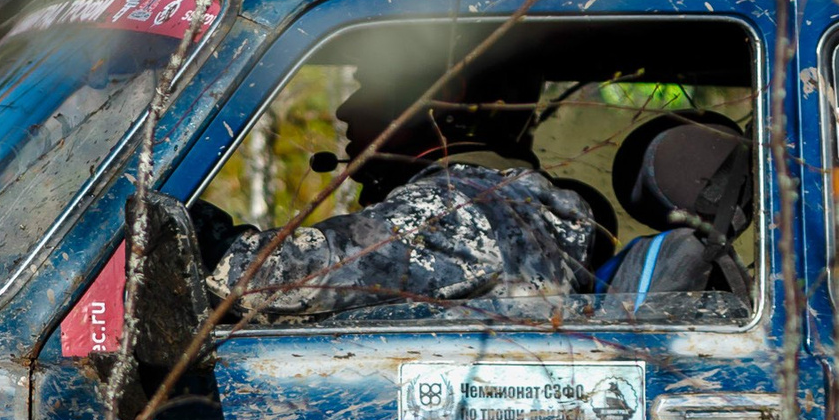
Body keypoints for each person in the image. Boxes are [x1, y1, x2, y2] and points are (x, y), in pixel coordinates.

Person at [199, 69, 609, 322]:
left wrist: (178, 224)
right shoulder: (513, 198)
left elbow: (262, 278)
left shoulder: (464, 209)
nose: (345, 109)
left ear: (443, 98)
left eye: (372, 85)